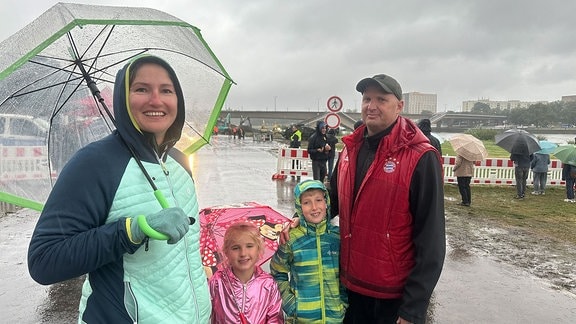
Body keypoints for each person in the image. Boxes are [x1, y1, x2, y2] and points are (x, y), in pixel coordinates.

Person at [27, 56, 211, 323]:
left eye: (166, 90)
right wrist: (133, 230)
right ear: (123, 99)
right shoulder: (94, 163)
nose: (156, 100)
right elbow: (44, 260)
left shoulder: (180, 162)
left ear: (178, 100)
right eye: (141, 89)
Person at [331, 74, 445, 323]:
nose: (371, 106)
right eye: (366, 98)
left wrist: (412, 309)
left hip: (392, 297)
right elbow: (331, 200)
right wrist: (299, 219)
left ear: (399, 106)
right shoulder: (349, 149)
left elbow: (431, 240)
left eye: (381, 99)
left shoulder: (421, 157)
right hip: (349, 288)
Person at [270, 180, 347, 323]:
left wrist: (343, 303)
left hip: (334, 317)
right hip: (301, 318)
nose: (314, 207)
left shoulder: (336, 238)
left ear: (327, 202)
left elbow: (346, 274)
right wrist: (292, 304)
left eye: (318, 200)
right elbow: (277, 272)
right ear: (299, 207)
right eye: (306, 202)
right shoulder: (291, 238)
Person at [209, 222, 284, 323]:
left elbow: (275, 318)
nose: (243, 253)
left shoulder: (268, 284)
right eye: (236, 248)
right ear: (226, 252)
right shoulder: (217, 282)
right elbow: (204, 313)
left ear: (259, 249)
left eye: (249, 246)